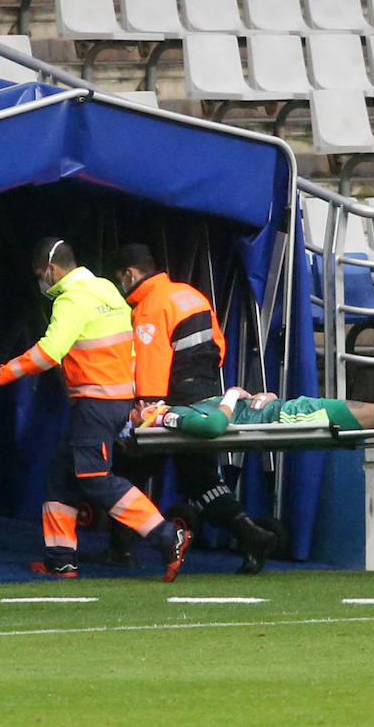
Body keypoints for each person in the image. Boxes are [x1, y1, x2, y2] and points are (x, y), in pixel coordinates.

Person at [0, 237, 189, 581]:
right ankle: (61, 558)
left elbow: (49, 353)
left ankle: (167, 536)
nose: (41, 283)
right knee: (61, 477)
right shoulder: (108, 291)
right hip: (114, 402)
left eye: (40, 275)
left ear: (51, 270)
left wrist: (1, 375)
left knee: (95, 477)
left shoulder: (71, 300)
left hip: (94, 402)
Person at [107, 243, 277, 575]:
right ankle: (250, 533)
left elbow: (152, 362)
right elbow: (220, 347)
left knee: (130, 471)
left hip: (173, 399)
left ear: (129, 274)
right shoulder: (191, 295)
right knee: (200, 478)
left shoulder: (148, 307)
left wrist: (147, 409)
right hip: (206, 394)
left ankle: (120, 549)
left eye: (120, 279)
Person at [134, 387, 374, 438]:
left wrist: (253, 395)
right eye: (134, 410)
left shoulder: (177, 407)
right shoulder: (166, 415)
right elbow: (213, 427)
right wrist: (232, 393)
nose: (139, 406)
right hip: (287, 417)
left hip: (284, 409)